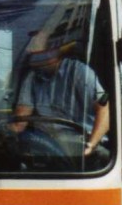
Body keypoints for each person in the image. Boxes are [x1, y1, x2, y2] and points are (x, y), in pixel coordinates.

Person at [10, 30, 110, 161]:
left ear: (53, 52)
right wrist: (4, 131)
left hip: (80, 143)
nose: (35, 63)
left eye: (39, 57)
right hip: (45, 143)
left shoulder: (79, 72)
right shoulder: (33, 76)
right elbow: (22, 117)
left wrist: (91, 145)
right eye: (33, 58)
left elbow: (104, 109)